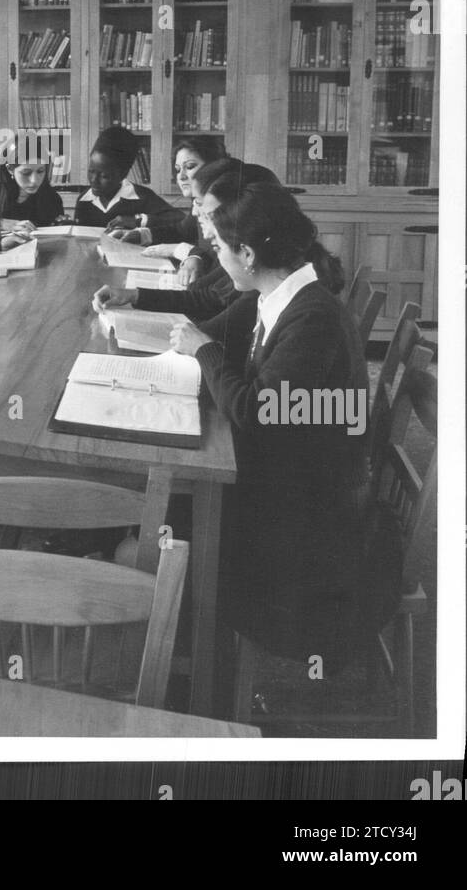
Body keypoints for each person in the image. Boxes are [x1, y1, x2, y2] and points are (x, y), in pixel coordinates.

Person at [167, 183, 370, 666]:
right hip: (291, 473)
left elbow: (259, 412)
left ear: (249, 253)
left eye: (219, 247)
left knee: (174, 513)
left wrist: (205, 351)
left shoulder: (312, 316)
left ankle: (193, 663)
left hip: (308, 515)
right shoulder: (278, 291)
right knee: (173, 500)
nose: (215, 255)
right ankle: (181, 638)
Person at [93, 159, 284, 321]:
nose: (194, 212)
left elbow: (212, 306)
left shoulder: (254, 269)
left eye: (200, 203)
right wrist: (134, 295)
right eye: (177, 169)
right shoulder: (250, 258)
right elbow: (210, 296)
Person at [109, 137, 229, 288]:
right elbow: (182, 230)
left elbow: (219, 263)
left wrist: (187, 252)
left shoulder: (226, 207)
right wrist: (142, 234)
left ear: (214, 167)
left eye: (190, 166)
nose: (181, 176)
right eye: (178, 169)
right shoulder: (198, 202)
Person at [73, 125, 176, 230]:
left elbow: (179, 220)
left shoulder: (142, 197)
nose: (94, 180)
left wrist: (138, 221)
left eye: (104, 176)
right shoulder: (84, 200)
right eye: (91, 171)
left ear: (123, 174)